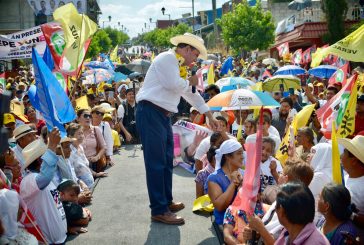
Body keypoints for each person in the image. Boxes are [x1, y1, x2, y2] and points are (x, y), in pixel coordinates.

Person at [136, 33, 219, 225]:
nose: (194, 60)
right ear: (187, 49)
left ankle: (165, 201)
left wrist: (209, 114)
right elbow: (174, 84)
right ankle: (158, 209)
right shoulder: (167, 58)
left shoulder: (178, 66)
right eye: (195, 55)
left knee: (166, 160)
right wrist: (190, 82)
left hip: (162, 115)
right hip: (150, 111)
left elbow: (191, 95)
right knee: (156, 162)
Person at [20, 128, 67, 244]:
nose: (50, 157)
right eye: (46, 156)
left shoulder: (44, 179)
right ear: (41, 161)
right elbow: (44, 178)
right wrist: (51, 146)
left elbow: (56, 204)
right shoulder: (28, 181)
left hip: (61, 239)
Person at [207, 139, 244, 226]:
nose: (242, 156)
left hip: (243, 221)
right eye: (239, 153)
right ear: (228, 157)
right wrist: (233, 183)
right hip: (224, 224)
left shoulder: (244, 174)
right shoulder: (214, 178)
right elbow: (220, 206)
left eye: (242, 153)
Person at [338, 135, 364, 241]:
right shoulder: (345, 176)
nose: (341, 155)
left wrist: (351, 215)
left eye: (344, 152)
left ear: (353, 160)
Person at [67, 123, 107, 189]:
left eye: (82, 133)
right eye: (78, 134)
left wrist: (96, 174)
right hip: (81, 189)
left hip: (90, 184)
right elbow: (70, 174)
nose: (81, 136)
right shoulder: (69, 151)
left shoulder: (80, 147)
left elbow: (85, 167)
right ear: (71, 136)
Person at [308, 143, 333, 223]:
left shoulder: (318, 176)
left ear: (322, 155)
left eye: (313, 152)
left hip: (313, 219)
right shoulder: (327, 172)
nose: (309, 155)